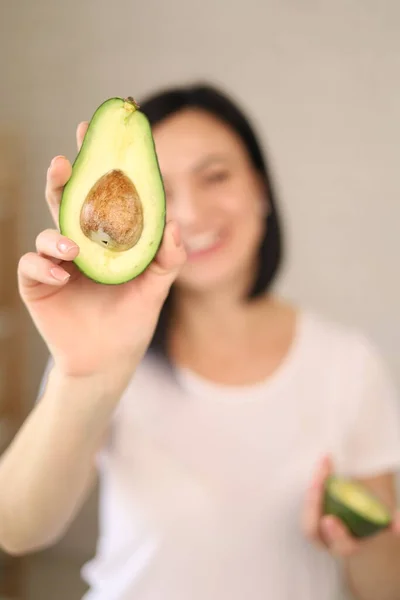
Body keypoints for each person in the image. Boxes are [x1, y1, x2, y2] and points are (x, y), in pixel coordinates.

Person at [1, 82, 400, 600]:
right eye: (161, 190)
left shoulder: (348, 363)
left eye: (214, 176)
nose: (189, 211)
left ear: (260, 188)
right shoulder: (112, 352)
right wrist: (85, 377)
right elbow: (17, 528)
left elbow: (386, 586)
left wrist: (357, 545)